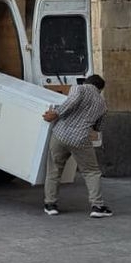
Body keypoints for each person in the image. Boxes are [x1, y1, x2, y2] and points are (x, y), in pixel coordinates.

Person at [42, 74, 111, 218]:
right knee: (91, 172)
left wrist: (55, 113)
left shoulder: (79, 88)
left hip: (60, 135)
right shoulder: (103, 104)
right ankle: (97, 206)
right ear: (100, 89)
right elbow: (98, 127)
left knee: (54, 170)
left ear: (87, 82)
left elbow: (71, 102)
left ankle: (50, 205)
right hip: (80, 139)